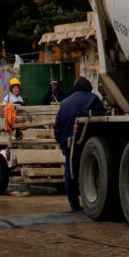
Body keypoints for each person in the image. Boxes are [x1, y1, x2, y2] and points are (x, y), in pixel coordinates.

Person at [53, 76, 106, 211]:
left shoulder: (64, 103)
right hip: (87, 144)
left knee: (69, 172)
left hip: (68, 145)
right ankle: (91, 200)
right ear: (88, 87)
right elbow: (103, 119)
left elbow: (57, 127)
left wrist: (61, 142)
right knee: (89, 172)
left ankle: (74, 205)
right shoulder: (92, 98)